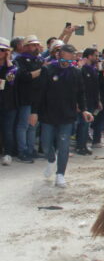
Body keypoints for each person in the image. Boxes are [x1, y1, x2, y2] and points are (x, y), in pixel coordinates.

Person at [35, 45, 93, 187]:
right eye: (64, 56)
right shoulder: (47, 70)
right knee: (46, 144)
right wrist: (34, 112)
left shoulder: (76, 73)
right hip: (48, 114)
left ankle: (60, 174)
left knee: (64, 145)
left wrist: (84, 110)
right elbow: (39, 93)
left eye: (70, 56)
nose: (66, 60)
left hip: (67, 115)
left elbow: (81, 93)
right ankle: (50, 159)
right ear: (58, 55)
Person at [14, 35, 45, 163]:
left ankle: (31, 150)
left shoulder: (38, 60)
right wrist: (38, 72)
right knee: (24, 125)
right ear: (26, 47)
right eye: (33, 45)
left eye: (37, 44)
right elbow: (22, 77)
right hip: (25, 97)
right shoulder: (20, 60)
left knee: (33, 125)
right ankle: (22, 151)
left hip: (36, 97)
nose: (36, 47)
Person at [75, 48, 101, 155]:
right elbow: (79, 87)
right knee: (83, 124)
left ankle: (83, 145)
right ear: (89, 56)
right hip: (84, 101)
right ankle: (80, 146)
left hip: (92, 101)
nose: (97, 58)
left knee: (87, 124)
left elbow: (96, 87)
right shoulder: (83, 69)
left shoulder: (93, 69)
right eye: (95, 55)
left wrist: (98, 101)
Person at [0, 37, 16, 165]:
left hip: (7, 103)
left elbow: (11, 80)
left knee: (7, 129)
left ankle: (8, 153)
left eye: (2, 50)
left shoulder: (12, 66)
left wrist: (8, 60)